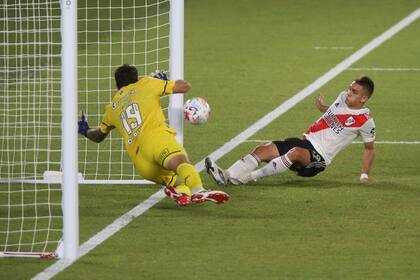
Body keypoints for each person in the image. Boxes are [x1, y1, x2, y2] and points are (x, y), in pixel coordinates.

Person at [78, 64, 229, 206]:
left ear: (117, 85)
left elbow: (98, 136)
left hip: (142, 165)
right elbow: (185, 86)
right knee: (182, 164)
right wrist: (163, 82)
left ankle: (180, 192)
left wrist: (85, 130)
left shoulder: (111, 108)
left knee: (178, 180)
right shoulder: (146, 83)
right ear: (136, 78)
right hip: (156, 141)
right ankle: (198, 191)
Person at [205, 76, 376, 185]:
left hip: (319, 158)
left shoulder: (365, 121)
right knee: (262, 150)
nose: (348, 93)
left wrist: (364, 175)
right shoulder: (342, 97)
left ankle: (249, 177)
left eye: (353, 92)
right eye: (349, 88)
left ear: (364, 98)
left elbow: (369, 149)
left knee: (295, 153)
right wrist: (323, 107)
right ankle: (226, 175)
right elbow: (335, 112)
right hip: (305, 142)